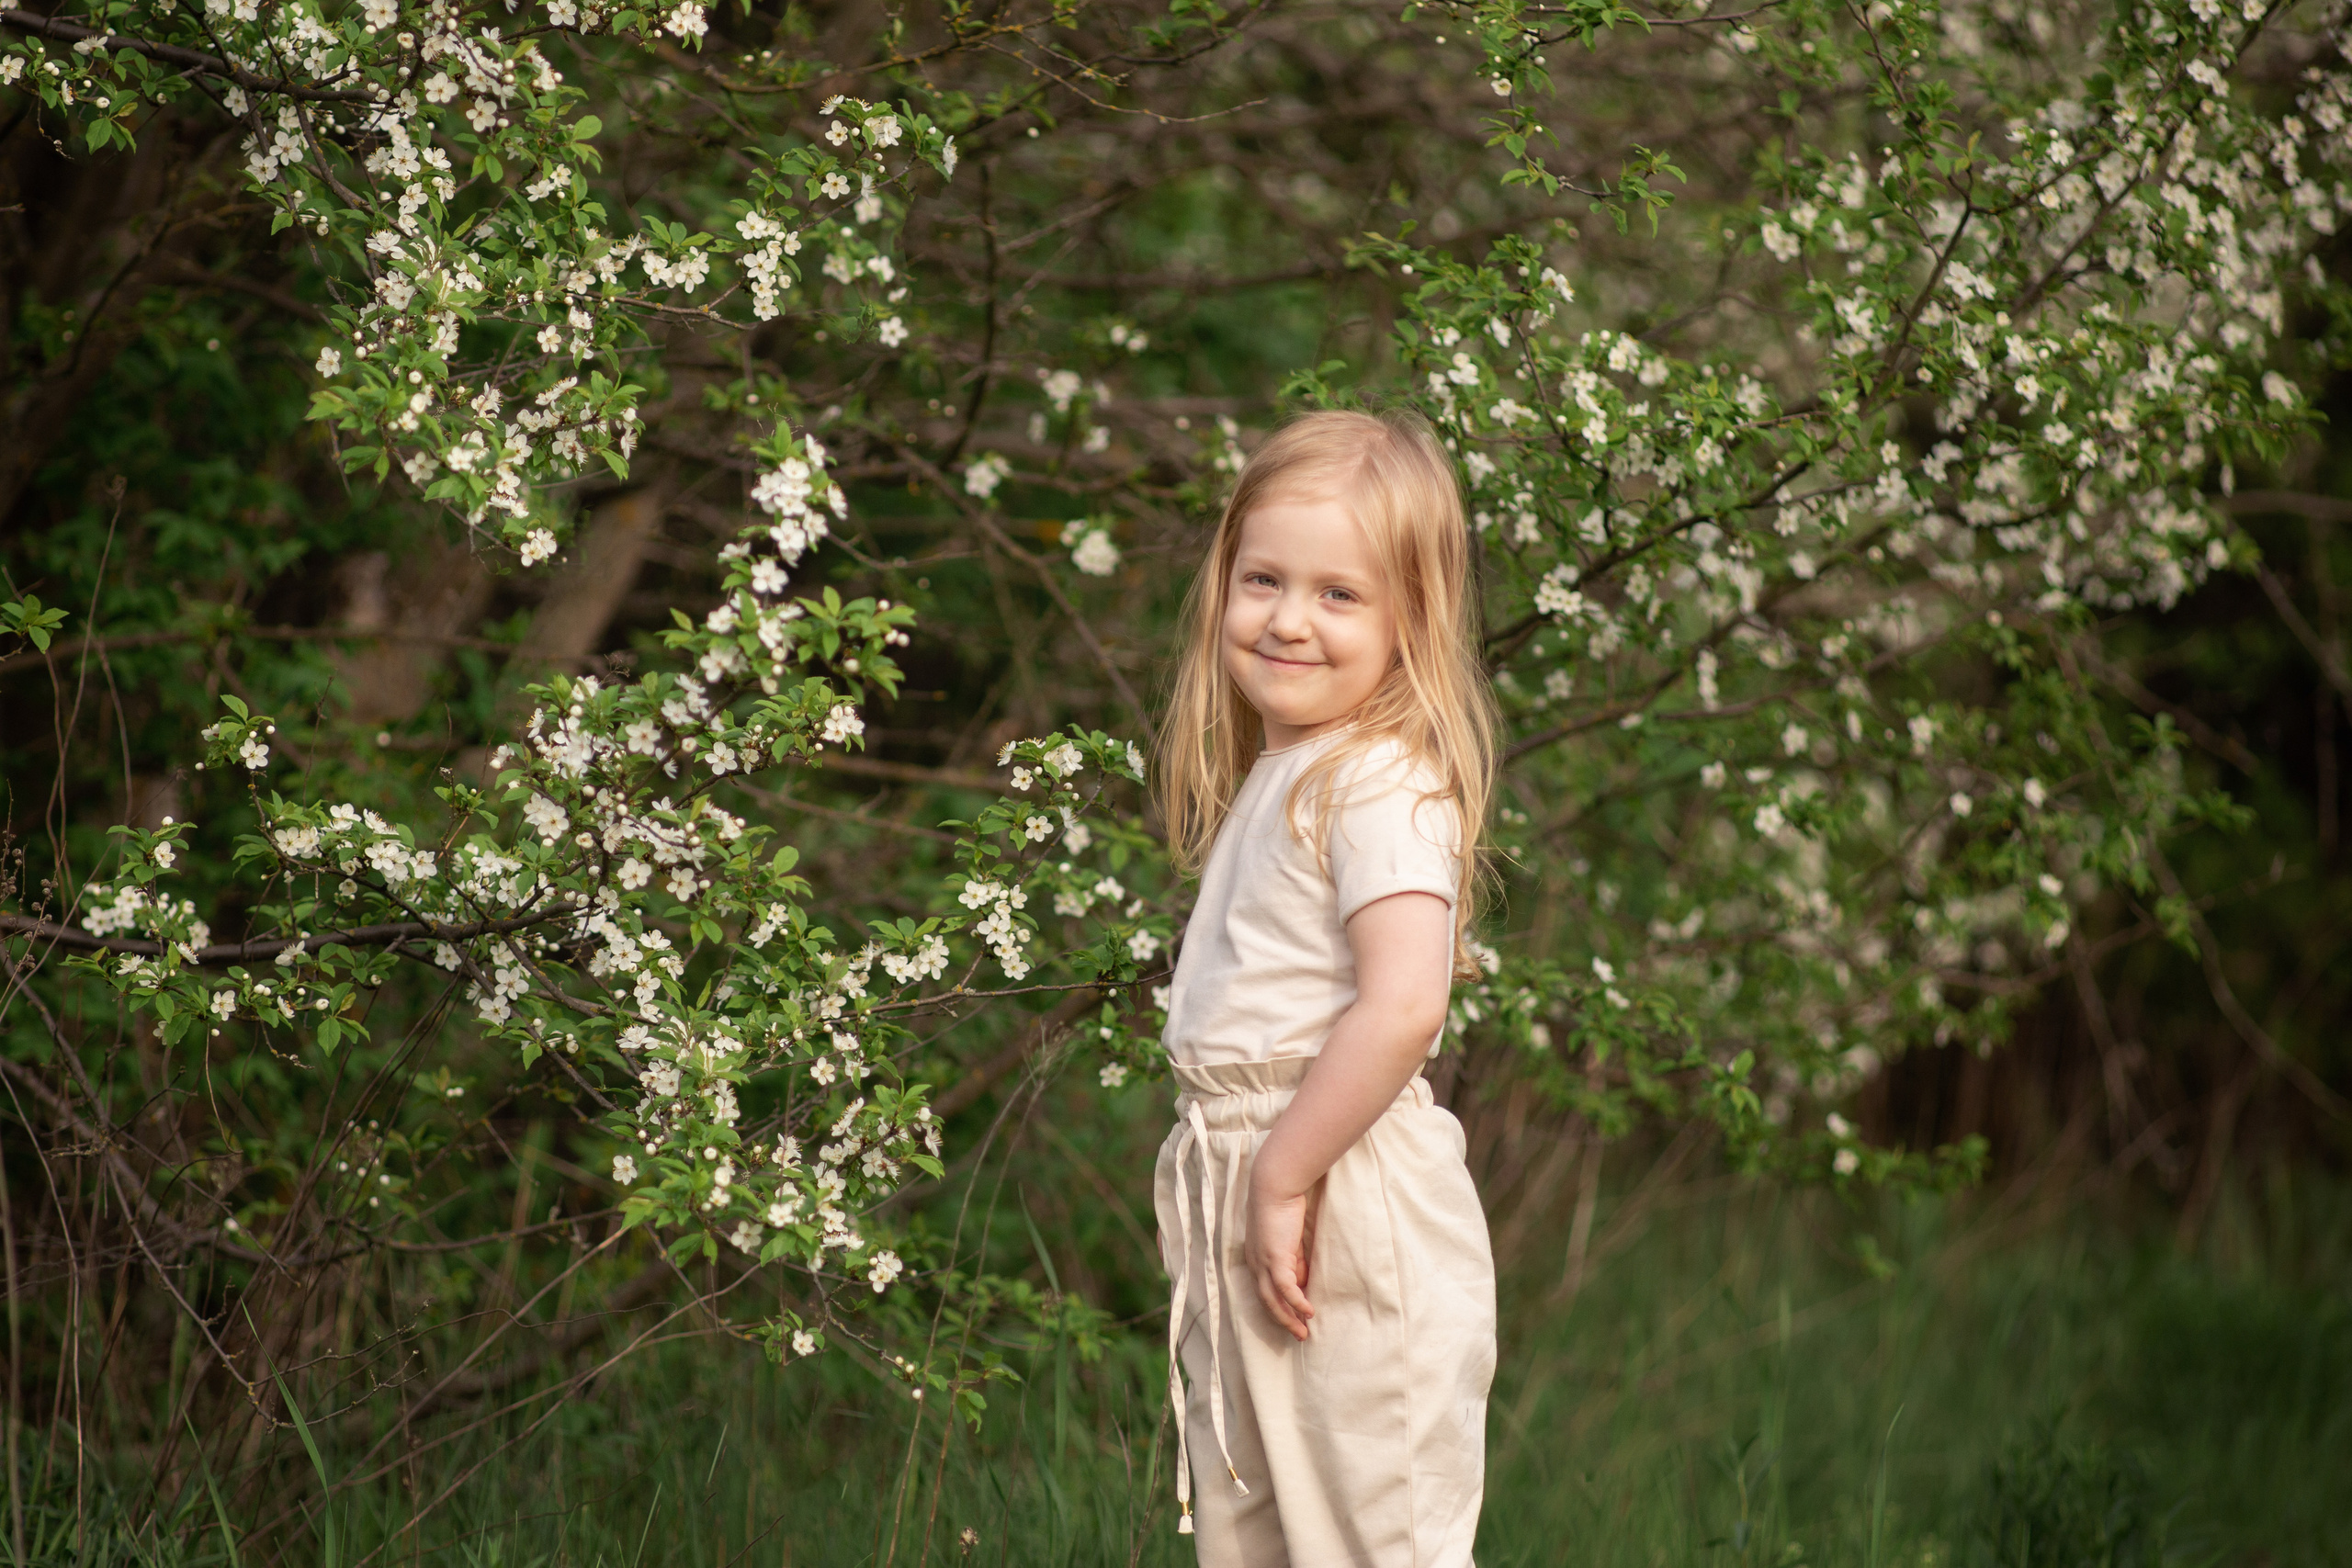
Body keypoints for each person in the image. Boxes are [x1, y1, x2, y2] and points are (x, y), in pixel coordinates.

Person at [1152, 408, 1499, 1565]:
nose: (1289, 620)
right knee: (1257, 1530)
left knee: (1364, 1528)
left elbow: (1404, 1004)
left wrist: (1286, 1170)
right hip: (1262, 1175)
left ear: (1413, 618)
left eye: (1339, 595)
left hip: (1341, 1187)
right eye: (1264, 579)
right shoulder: (1290, 769)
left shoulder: (1380, 779)